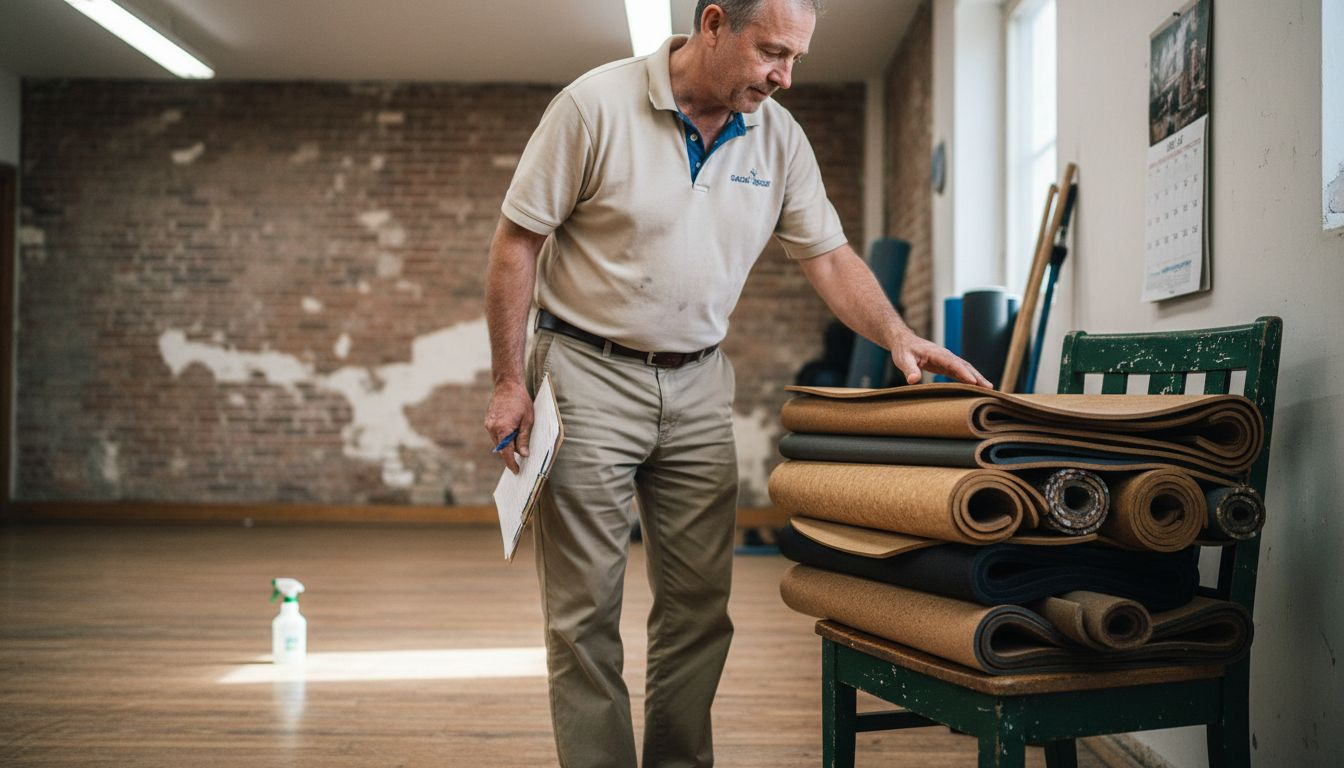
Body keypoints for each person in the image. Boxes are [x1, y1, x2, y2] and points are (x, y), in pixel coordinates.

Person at [483, 1, 990, 765]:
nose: (785, 76)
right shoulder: (594, 106)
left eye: (797, 59)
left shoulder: (779, 138)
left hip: (696, 385)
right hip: (585, 374)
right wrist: (506, 381)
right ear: (714, 24)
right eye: (772, 52)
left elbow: (827, 255)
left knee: (698, 610)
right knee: (583, 612)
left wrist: (898, 335)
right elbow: (517, 243)